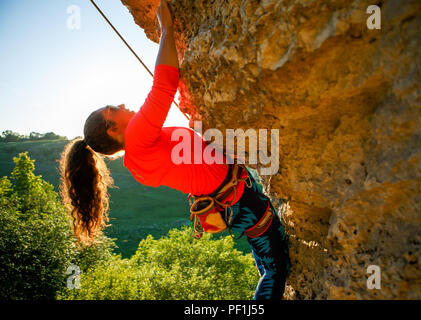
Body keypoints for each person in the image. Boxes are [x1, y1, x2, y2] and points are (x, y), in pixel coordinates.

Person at [59, 0, 290, 300]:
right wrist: (166, 28)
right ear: (113, 130)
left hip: (230, 202)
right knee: (275, 270)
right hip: (240, 198)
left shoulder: (136, 163)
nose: (124, 106)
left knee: (264, 262)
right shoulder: (139, 138)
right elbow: (164, 84)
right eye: (114, 109)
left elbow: (186, 160)